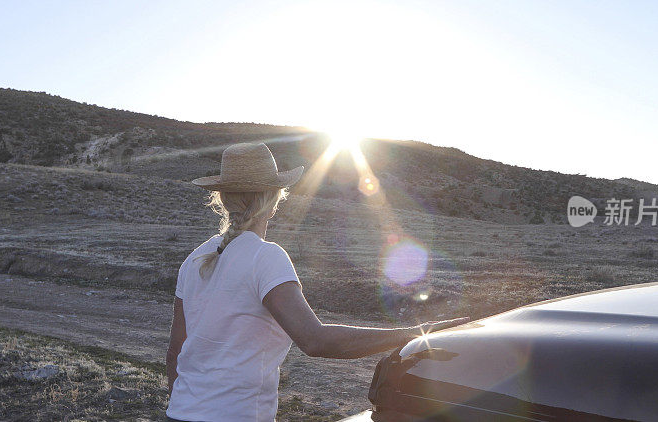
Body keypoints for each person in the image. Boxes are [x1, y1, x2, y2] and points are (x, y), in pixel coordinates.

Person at [165, 142, 467, 422]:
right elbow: (315, 340)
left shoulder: (195, 259)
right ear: (273, 201)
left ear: (223, 198)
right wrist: (413, 334)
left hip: (179, 412)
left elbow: (176, 349)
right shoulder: (265, 257)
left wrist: (183, 403)